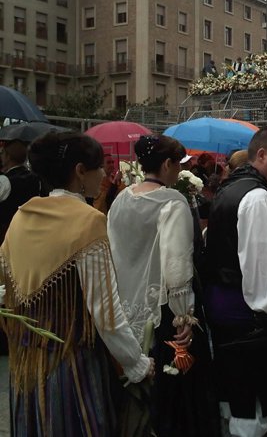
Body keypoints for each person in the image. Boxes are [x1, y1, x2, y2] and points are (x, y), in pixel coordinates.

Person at [0, 132, 153, 435]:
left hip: (27, 368)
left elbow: (6, 289)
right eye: (100, 167)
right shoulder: (87, 221)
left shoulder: (22, 217)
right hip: (71, 369)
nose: (106, 174)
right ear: (80, 171)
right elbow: (106, 314)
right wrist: (137, 364)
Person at [107, 135, 218, 437]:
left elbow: (114, 251)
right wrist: (185, 316)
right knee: (175, 390)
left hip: (126, 303)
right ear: (167, 164)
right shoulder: (173, 201)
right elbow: (177, 264)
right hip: (164, 307)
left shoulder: (121, 199)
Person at [204, 127, 267, 436]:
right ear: (262, 155)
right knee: (250, 397)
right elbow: (263, 266)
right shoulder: (257, 196)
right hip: (244, 311)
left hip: (223, 303)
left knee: (233, 393)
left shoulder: (230, 188)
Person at [0, 138, 43, 241]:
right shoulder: (36, 178)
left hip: (5, 234)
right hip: (28, 230)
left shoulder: (5, 181)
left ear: (8, 156)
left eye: (2, 153)